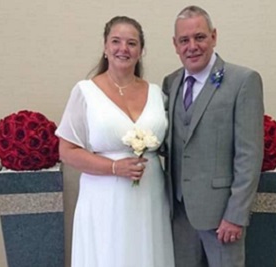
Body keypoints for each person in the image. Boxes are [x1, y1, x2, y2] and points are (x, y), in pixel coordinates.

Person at [56, 16, 174, 267]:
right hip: (103, 198)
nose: (124, 49)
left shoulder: (156, 93)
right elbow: (66, 151)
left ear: (141, 50)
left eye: (132, 43)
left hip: (150, 194)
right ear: (105, 47)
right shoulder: (85, 91)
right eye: (116, 41)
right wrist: (113, 168)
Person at [162, 5, 264, 267]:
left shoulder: (242, 81)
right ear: (175, 44)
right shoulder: (171, 82)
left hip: (222, 216)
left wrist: (236, 214)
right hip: (180, 213)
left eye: (200, 37)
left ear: (214, 36)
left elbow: (249, 155)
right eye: (184, 40)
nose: (192, 46)